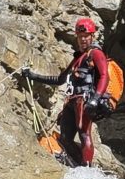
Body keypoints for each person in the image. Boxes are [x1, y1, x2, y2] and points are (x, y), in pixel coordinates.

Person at [24, 15, 112, 167]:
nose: (83, 39)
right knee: (65, 137)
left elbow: (105, 76)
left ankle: (87, 169)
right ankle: (76, 164)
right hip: (72, 100)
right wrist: (33, 76)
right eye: (80, 36)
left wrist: (95, 98)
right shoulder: (78, 58)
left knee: (84, 133)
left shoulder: (96, 54)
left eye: (86, 36)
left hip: (85, 100)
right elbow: (59, 80)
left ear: (92, 36)